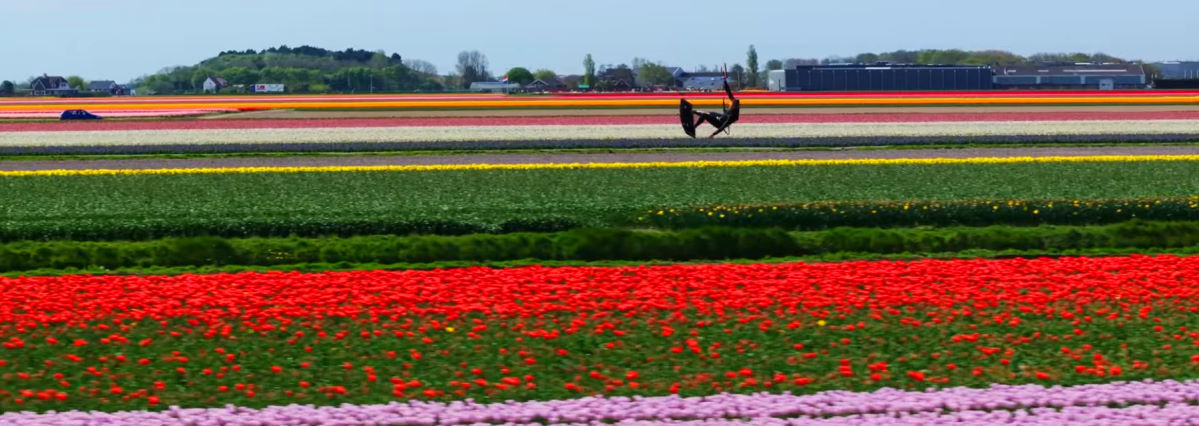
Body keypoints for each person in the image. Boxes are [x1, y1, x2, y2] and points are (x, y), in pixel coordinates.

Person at [679, 67, 740, 139]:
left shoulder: (733, 117)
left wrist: (713, 134)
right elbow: (729, 93)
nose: (730, 103)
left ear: (735, 106)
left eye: (731, 104)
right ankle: (693, 112)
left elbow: (723, 127)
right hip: (720, 117)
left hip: (720, 123)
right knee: (707, 113)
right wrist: (724, 81)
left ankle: (693, 128)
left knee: (705, 115)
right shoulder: (734, 103)